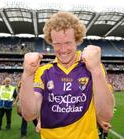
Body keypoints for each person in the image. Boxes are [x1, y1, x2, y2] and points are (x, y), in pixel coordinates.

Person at [19, 11, 114, 139]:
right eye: (57, 44)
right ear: (51, 42)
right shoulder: (43, 71)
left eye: (68, 43)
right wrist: (27, 74)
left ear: (77, 40)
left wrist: (96, 69)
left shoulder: (91, 67)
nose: (63, 50)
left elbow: (106, 115)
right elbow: (30, 114)